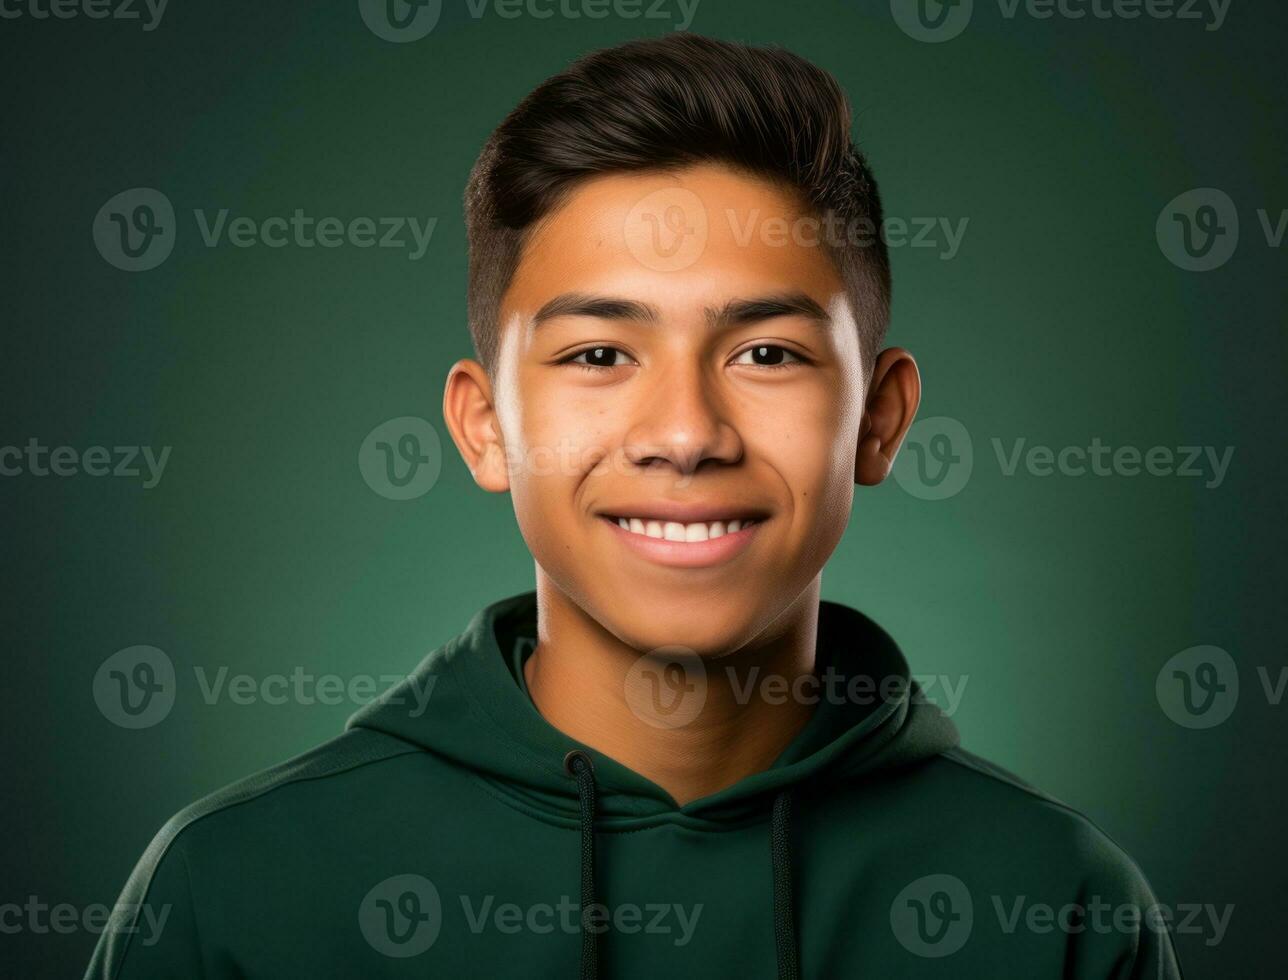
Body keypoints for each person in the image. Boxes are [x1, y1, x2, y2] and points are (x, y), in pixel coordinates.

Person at [87, 32, 1182, 979]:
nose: (684, 432)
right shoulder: (235, 892)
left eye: (764, 351)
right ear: (484, 426)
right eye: (599, 351)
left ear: (878, 420)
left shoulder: (1060, 907)